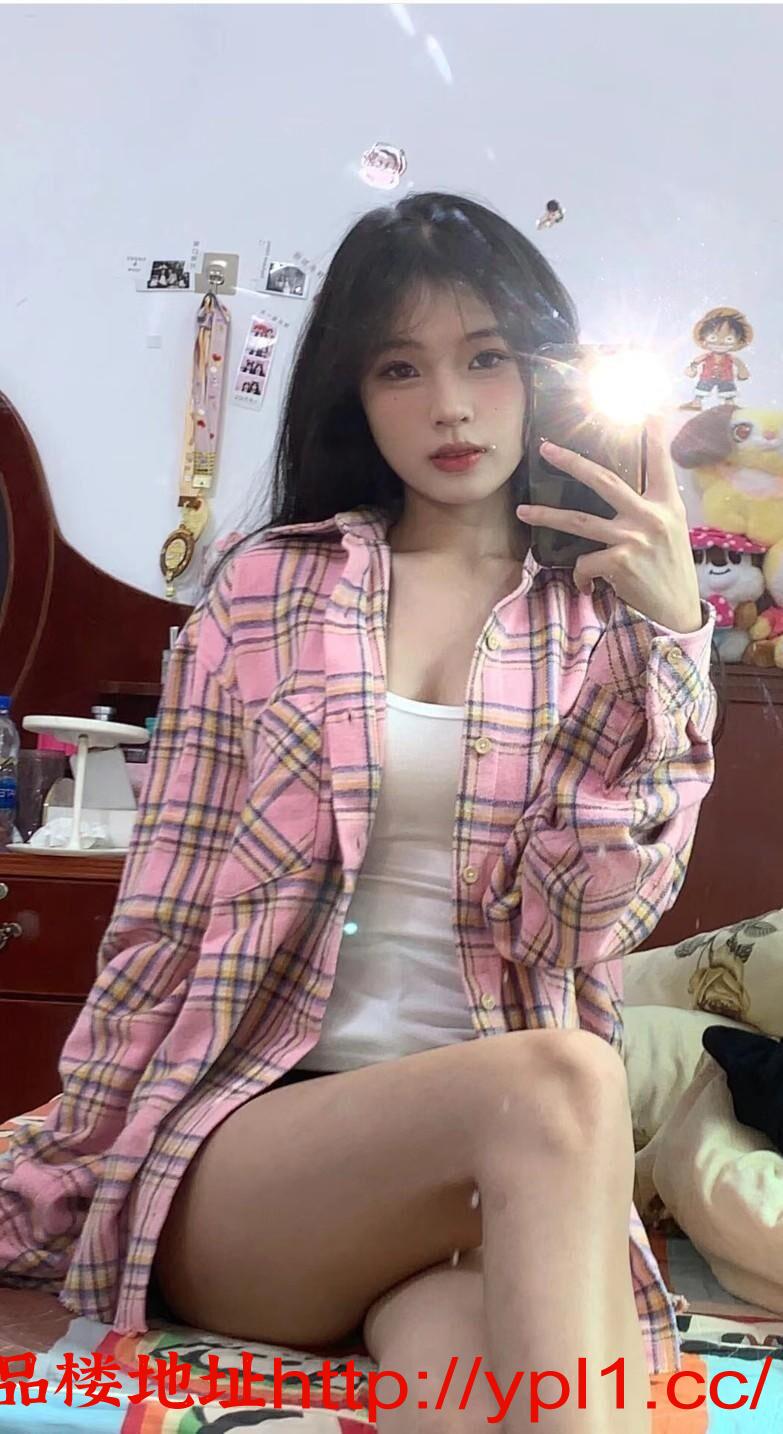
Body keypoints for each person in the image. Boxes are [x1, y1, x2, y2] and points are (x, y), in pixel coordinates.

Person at [0, 192, 716, 1434]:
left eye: (486, 358)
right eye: (401, 368)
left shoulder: (604, 626)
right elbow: (161, 921)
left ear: (541, 375)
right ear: (356, 393)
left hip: (482, 1203)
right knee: (567, 1075)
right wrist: (64, 1176)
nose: (450, 406)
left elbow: (583, 927)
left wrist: (677, 638)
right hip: (258, 1161)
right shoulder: (268, 592)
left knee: (499, 1394)